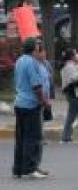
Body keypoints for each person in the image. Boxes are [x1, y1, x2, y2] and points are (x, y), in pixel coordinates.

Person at [13, 37, 50, 179]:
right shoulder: (32, 62)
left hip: (19, 102)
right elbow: (36, 86)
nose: (39, 48)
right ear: (33, 48)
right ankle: (30, 168)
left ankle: (18, 168)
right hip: (31, 104)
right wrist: (44, 101)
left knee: (21, 137)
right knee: (32, 137)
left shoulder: (20, 60)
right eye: (37, 46)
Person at [60, 50, 78, 144]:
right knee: (72, 115)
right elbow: (75, 80)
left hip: (72, 93)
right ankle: (66, 136)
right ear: (72, 57)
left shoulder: (68, 66)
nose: (77, 56)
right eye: (75, 55)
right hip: (73, 93)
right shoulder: (70, 67)